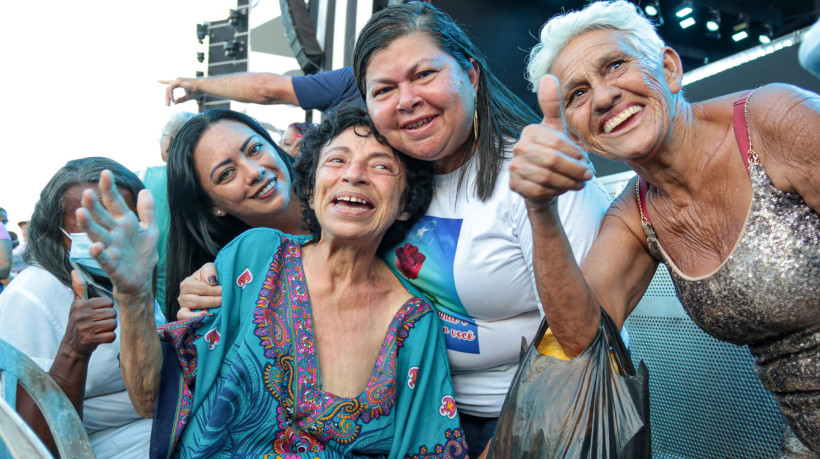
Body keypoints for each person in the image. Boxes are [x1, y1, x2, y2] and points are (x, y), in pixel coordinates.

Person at [511, 1, 820, 455]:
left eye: (616, 64)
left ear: (670, 69)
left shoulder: (773, 118)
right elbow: (581, 344)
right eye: (577, 93)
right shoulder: (634, 215)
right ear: (577, 135)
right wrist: (540, 210)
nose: (601, 96)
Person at [76, 104, 469, 457]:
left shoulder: (415, 323)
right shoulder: (252, 258)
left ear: (405, 205)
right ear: (312, 188)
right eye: (336, 161)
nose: (354, 175)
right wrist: (133, 293)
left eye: (381, 165)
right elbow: (151, 400)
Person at [350, 3, 611, 454]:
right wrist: (224, 280)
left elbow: (592, 343)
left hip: (536, 415)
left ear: (471, 75)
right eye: (384, 89)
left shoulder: (536, 176)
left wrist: (512, 438)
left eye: (424, 74)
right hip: (424, 412)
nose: (406, 99)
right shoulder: (386, 182)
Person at [0, 157, 166, 457]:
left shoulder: (132, 276)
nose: (109, 237)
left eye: (120, 222)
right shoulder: (29, 296)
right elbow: (27, 440)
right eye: (91, 225)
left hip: (161, 424)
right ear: (58, 231)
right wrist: (74, 348)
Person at [164, 109, 306, 319]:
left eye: (255, 149)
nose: (254, 172)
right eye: (227, 173)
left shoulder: (345, 193)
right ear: (213, 206)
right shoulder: (229, 276)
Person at [138, 111, 196, 315]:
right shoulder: (214, 182)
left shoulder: (140, 180)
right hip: (201, 306)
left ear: (169, 143)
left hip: (151, 309)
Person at [161, 67, 363, 112]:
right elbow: (267, 89)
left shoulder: (353, 80)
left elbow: (268, 89)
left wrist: (200, 84)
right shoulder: (355, 79)